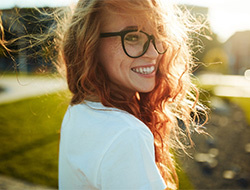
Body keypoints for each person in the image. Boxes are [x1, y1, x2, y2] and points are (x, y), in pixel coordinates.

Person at [1, 0, 205, 189]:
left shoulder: (81, 110)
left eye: (159, 34)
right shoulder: (126, 134)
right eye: (133, 36)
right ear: (89, 45)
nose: (154, 52)